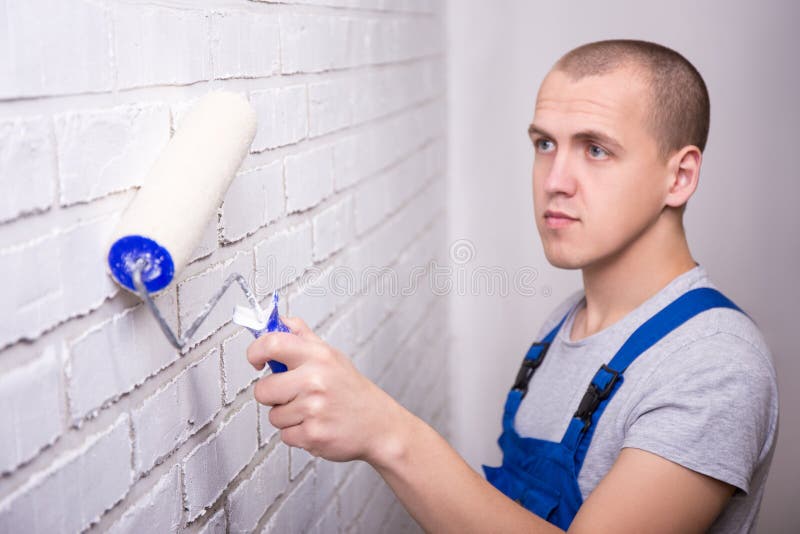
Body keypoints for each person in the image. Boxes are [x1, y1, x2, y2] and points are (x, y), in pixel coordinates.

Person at [246, 39, 779, 533]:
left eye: (595, 149)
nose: (554, 180)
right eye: (545, 143)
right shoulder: (565, 324)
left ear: (680, 176)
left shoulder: (713, 364)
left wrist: (386, 433)